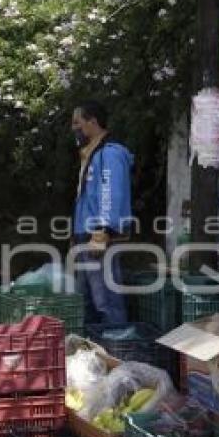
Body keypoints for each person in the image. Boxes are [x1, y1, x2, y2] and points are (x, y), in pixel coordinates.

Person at [71, 100, 134, 325]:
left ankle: (116, 347)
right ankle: (91, 350)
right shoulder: (93, 155)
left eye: (77, 123)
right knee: (84, 299)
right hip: (84, 237)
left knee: (105, 300)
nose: (74, 128)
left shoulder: (109, 154)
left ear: (93, 122)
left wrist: (103, 231)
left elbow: (111, 194)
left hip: (97, 237)